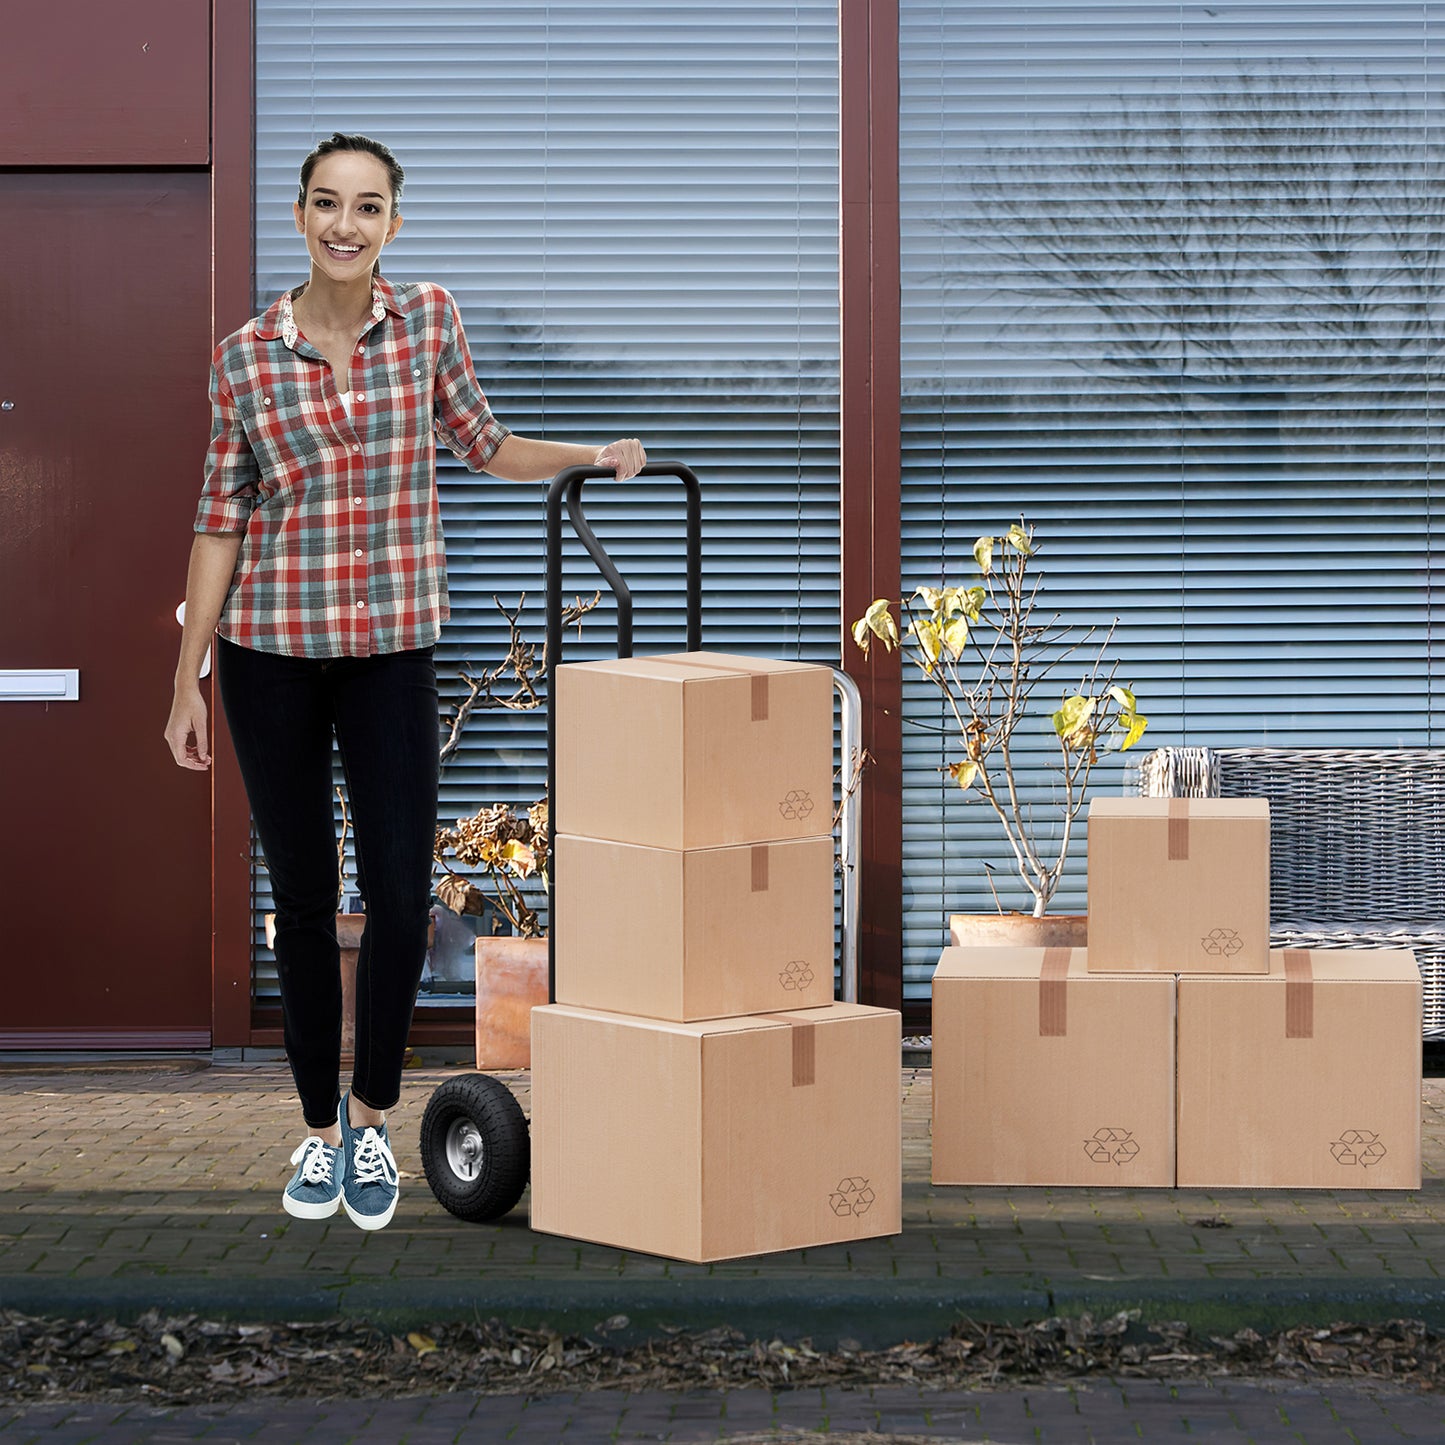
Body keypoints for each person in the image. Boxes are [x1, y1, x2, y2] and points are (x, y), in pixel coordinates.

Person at [163, 132, 646, 1231]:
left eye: (367, 206)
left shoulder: (425, 320)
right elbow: (217, 523)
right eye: (327, 203)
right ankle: (317, 1134)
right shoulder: (243, 359)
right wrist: (183, 678)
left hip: (388, 652)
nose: (346, 223)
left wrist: (590, 454)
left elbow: (484, 442)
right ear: (298, 216)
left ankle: (373, 1122)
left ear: (391, 222)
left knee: (393, 892)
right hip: (269, 656)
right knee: (297, 896)